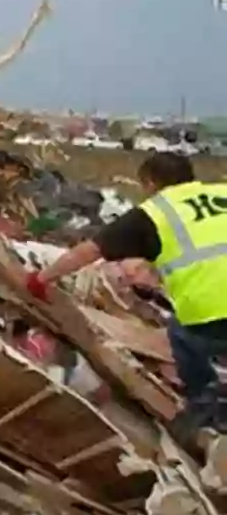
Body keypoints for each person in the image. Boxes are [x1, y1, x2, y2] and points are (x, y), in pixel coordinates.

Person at [26, 153, 227, 412]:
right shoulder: (222, 191)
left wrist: (41, 279)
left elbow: (87, 252)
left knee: (182, 336)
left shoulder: (154, 213)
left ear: (151, 183)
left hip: (212, 315)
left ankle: (204, 406)